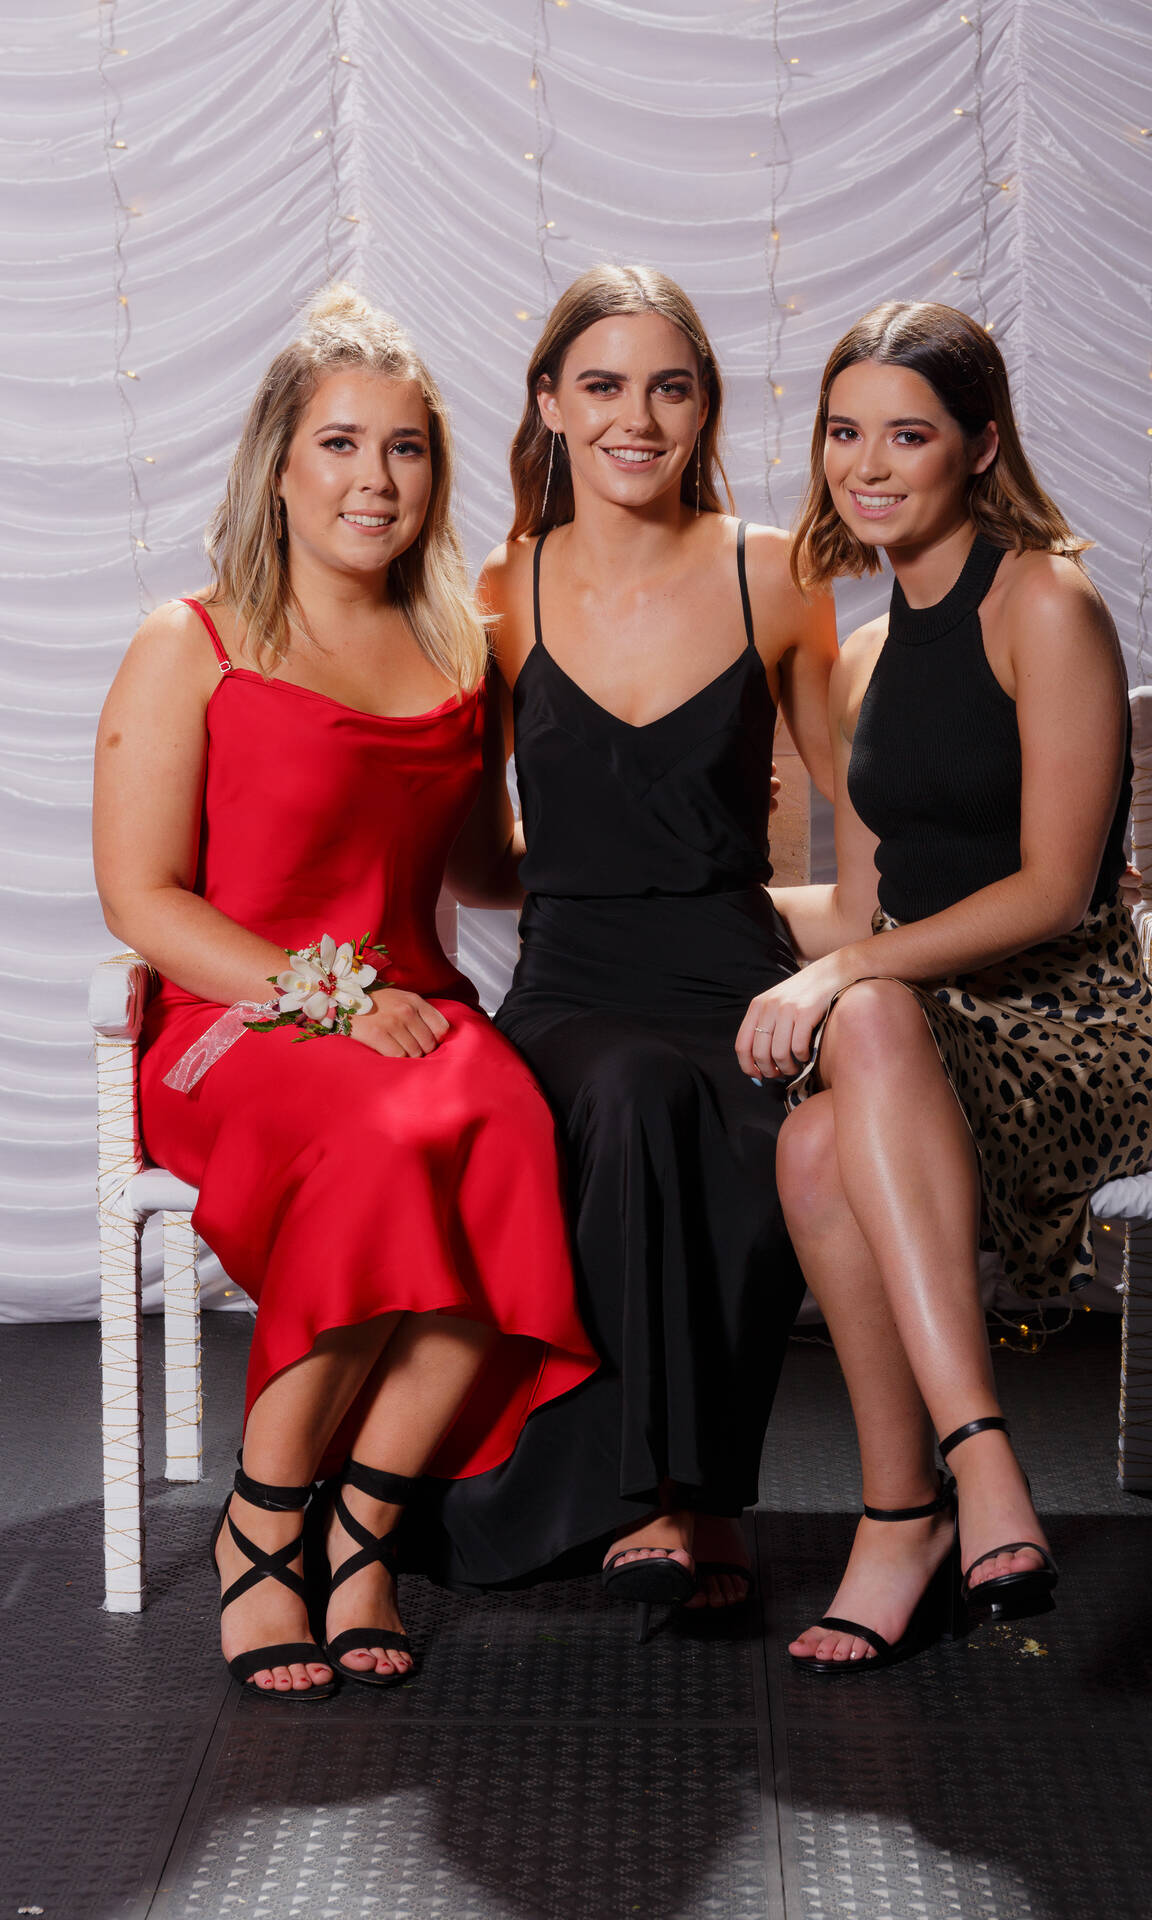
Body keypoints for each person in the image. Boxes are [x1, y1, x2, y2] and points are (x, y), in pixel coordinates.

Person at [92, 286, 596, 1701]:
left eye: (407, 448)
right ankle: (265, 1523)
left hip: (417, 1016)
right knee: (381, 1146)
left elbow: (484, 869)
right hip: (235, 1024)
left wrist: (666, 852)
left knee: (514, 1137)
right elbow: (143, 901)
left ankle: (364, 1530)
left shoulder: (459, 650)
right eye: (341, 443)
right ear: (279, 462)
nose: (376, 479)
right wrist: (327, 997)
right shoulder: (192, 641)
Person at [737, 300, 1152, 1675]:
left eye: (908, 435)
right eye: (843, 432)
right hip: (924, 1018)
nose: (866, 466)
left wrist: (845, 970)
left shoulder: (1045, 602)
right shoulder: (869, 655)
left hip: (1071, 1015)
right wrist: (685, 920)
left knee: (861, 1017)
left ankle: (963, 1466)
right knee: (811, 1144)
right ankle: (913, 1512)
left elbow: (1055, 888)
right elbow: (865, 905)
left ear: (981, 446)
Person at [422, 265, 837, 1623]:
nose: (635, 418)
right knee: (634, 1089)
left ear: (704, 405)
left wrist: (867, 954)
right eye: (601, 385)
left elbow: (869, 816)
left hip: (740, 973)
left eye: (669, 387)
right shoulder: (501, 589)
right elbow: (475, 860)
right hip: (575, 987)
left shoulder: (775, 573)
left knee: (741, 1113)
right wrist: (602, 866)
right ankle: (667, 1502)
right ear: (549, 402)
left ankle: (696, 1498)